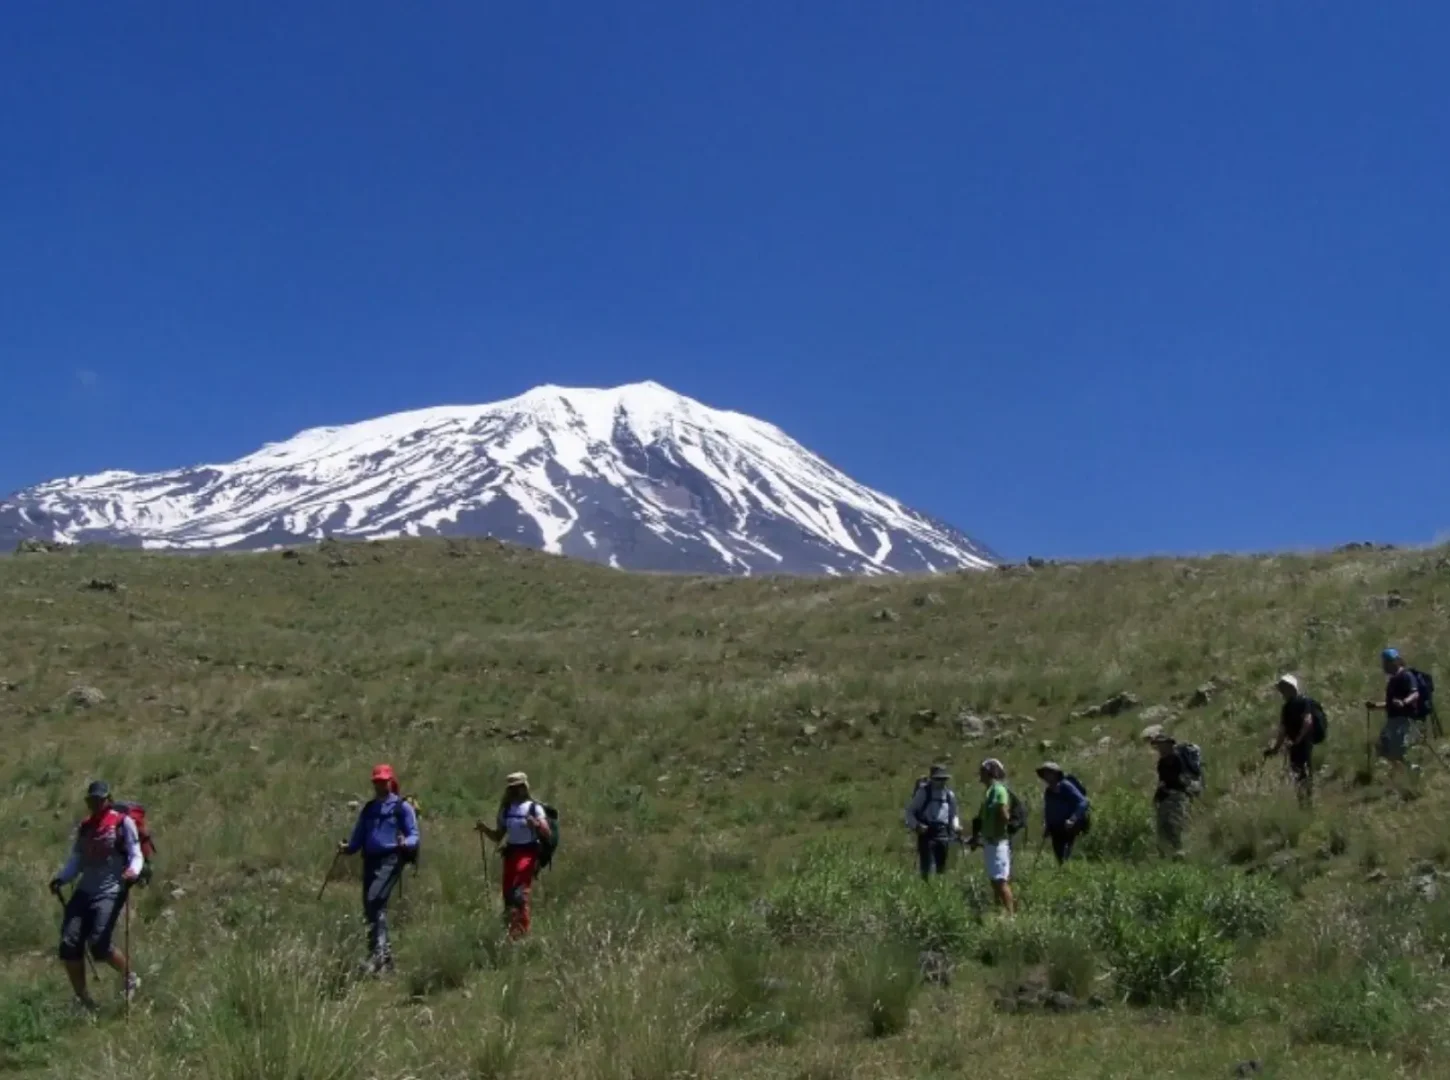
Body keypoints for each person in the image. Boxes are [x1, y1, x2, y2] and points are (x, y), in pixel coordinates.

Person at [49, 780, 143, 1013]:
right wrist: (62, 878)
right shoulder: (86, 827)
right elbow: (76, 861)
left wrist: (132, 871)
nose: (95, 803)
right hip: (84, 890)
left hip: (111, 890)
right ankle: (83, 999)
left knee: (99, 944)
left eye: (99, 799)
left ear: (108, 799)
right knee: (69, 943)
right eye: (91, 800)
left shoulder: (123, 822)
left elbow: (135, 854)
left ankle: (130, 977)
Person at [339, 764, 419, 974]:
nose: (379, 784)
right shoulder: (369, 809)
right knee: (371, 906)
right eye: (376, 781)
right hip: (370, 860)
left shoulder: (402, 807)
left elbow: (414, 835)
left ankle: (378, 955)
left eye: (383, 781)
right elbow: (358, 838)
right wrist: (347, 848)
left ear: (390, 781)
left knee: (374, 900)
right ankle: (382, 956)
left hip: (391, 859)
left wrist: (406, 844)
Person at [476, 772, 552, 939]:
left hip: (528, 854)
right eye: (512, 788)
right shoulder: (507, 810)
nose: (515, 791)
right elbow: (498, 836)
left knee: (519, 894)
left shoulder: (534, 808)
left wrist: (537, 824)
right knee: (508, 895)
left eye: (518, 787)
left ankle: (522, 932)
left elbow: (547, 833)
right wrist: (484, 829)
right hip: (511, 855)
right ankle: (510, 932)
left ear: (524, 788)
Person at [969, 759, 1016, 915]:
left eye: (982, 771)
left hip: (998, 842)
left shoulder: (998, 790)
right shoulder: (989, 791)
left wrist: (1002, 825)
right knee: (995, 881)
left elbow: (1003, 812)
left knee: (1001, 881)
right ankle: (1000, 911)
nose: (980, 775)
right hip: (990, 842)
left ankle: (1010, 915)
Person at [1367, 648, 1420, 774]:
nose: (1384, 666)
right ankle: (1401, 772)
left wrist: (1404, 702)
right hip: (1393, 720)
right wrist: (1375, 706)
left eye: (1386, 663)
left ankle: (1412, 771)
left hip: (1404, 720)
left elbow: (1415, 694)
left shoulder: (1406, 676)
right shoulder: (1393, 680)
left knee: (1397, 750)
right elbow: (1391, 704)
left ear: (1395, 662)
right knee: (1382, 747)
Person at [1265, 674, 1317, 802]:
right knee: (1301, 774)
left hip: (1300, 744)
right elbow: (1284, 729)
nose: (1282, 692)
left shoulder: (1297, 704)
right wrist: (1276, 748)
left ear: (1290, 688)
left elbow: (1307, 722)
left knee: (1300, 774)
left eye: (1283, 688)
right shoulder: (1296, 704)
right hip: (1300, 744)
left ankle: (1305, 803)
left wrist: (1293, 741)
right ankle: (1305, 803)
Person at [904, 765, 960, 880]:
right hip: (927, 833)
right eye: (938, 779)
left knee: (941, 869)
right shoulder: (923, 793)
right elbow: (910, 812)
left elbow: (954, 814)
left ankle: (938, 891)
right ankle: (926, 888)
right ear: (932, 779)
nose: (941, 782)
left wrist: (956, 826)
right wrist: (916, 825)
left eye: (943, 779)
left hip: (944, 834)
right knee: (927, 868)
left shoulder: (949, 795)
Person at [1036, 762, 1088, 864]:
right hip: (1055, 828)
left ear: (1055, 774)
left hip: (1068, 826)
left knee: (1066, 854)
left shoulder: (1065, 786)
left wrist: (1073, 819)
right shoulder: (1048, 792)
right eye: (1044, 773)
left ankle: (1068, 872)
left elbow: (1083, 802)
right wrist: (1047, 826)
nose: (1046, 776)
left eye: (1048, 773)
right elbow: (1048, 809)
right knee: (1059, 856)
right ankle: (1063, 872)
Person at [1151, 733, 1192, 859]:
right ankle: (1166, 853)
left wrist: (1165, 789)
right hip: (1166, 796)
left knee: (1173, 824)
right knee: (1162, 825)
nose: (1159, 748)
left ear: (1168, 745)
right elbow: (1163, 780)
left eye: (1161, 745)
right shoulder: (1163, 761)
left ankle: (1178, 852)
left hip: (1175, 796)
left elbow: (1175, 779)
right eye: (1158, 745)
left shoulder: (1174, 759)